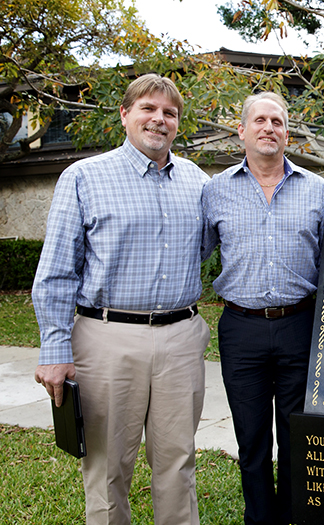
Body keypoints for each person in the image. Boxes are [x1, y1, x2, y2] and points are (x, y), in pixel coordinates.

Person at [32, 74, 211, 525]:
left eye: (169, 113)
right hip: (106, 337)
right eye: (148, 109)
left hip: (181, 338)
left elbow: (205, 248)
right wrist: (55, 349)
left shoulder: (197, 181)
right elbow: (56, 270)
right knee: (108, 467)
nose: (159, 119)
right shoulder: (85, 177)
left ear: (178, 124)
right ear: (125, 114)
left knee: (178, 462)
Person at [202, 91, 324, 525]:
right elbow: (196, 252)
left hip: (300, 324)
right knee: (251, 437)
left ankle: (295, 515)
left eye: (276, 121)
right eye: (259, 121)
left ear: (287, 133)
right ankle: (259, 519)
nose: (268, 128)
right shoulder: (215, 191)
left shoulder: (317, 189)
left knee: (298, 434)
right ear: (242, 131)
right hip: (242, 328)